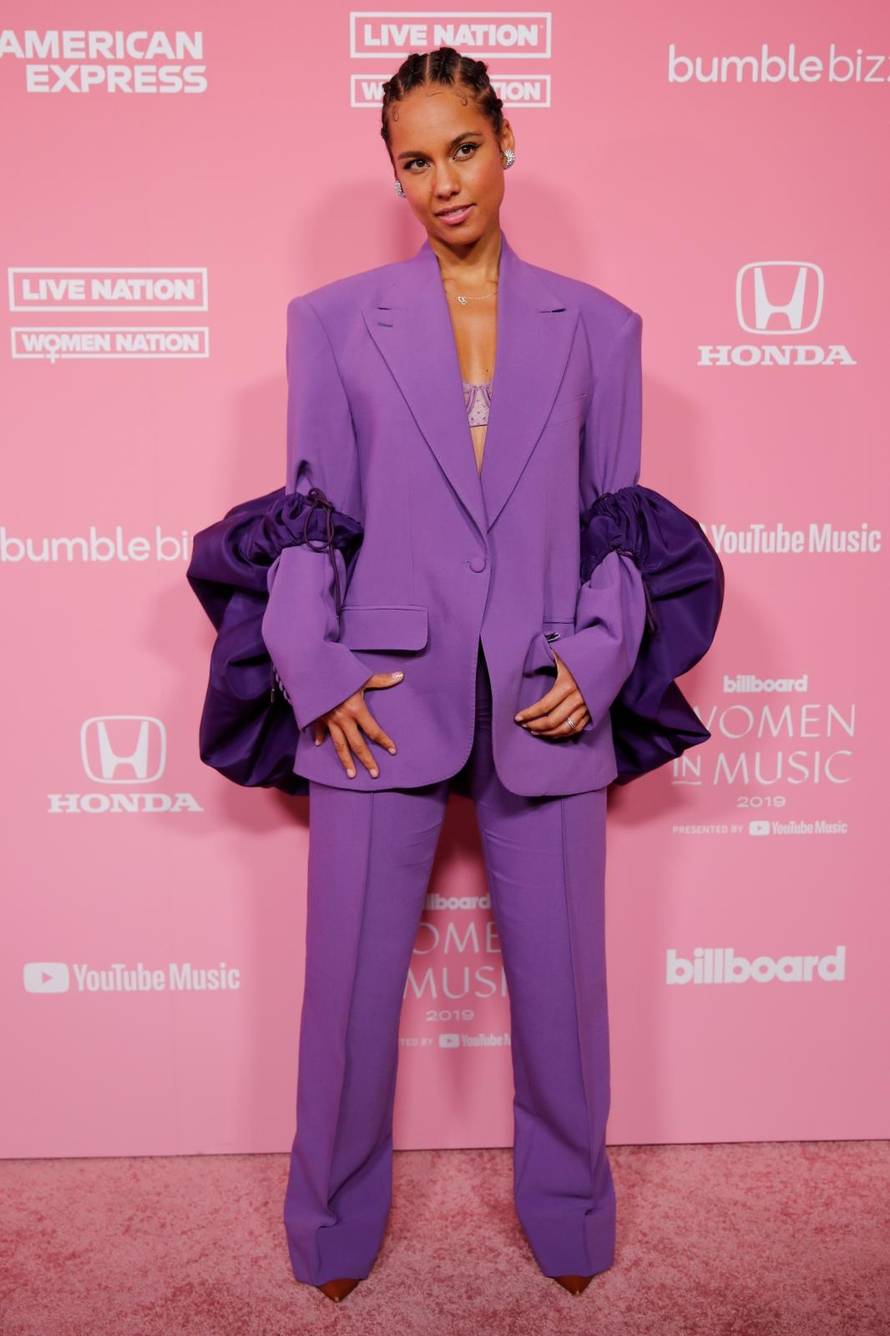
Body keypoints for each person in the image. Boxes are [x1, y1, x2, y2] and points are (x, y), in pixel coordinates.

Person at [261, 46, 651, 1303]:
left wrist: (598, 656)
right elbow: (310, 515)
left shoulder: (599, 328)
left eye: (462, 149)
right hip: (378, 697)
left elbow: (617, 526)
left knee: (566, 995)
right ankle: (328, 1228)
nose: (442, 181)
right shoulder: (331, 323)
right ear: (394, 174)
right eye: (414, 161)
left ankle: (572, 1216)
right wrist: (314, 669)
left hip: (545, 687)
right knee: (344, 999)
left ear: (505, 141)